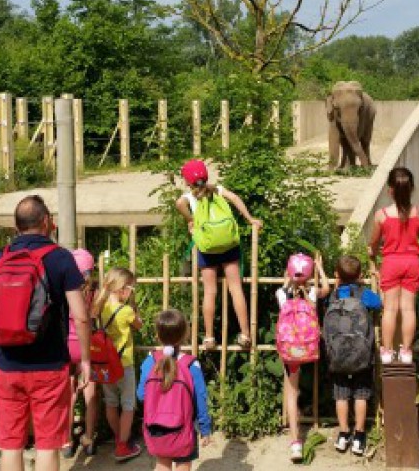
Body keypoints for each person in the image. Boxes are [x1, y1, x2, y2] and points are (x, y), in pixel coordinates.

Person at [0, 195, 92, 471]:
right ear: (46, 222)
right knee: (47, 445)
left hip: (7, 366)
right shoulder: (61, 258)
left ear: (16, 227)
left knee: (11, 444)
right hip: (50, 367)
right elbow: (81, 316)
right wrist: (85, 360)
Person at [175, 159, 261, 350]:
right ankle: (245, 333)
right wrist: (249, 219)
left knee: (210, 292)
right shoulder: (218, 190)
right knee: (235, 289)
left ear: (187, 181)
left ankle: (209, 337)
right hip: (229, 246)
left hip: (207, 248)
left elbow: (178, 204)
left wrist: (191, 221)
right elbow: (236, 198)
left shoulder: (189, 197)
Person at [137, 309, 212, 471]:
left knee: (162, 464)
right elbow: (200, 400)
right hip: (184, 429)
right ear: (185, 335)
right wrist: (205, 429)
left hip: (157, 429)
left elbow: (141, 394)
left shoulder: (150, 361)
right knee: (183, 465)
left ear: (158, 335)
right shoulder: (191, 365)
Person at [367, 166, 419, 364]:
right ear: (412, 188)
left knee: (390, 308)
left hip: (391, 262)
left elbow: (374, 243)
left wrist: (372, 255)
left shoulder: (382, 214)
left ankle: (387, 350)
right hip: (412, 262)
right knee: (408, 308)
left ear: (389, 190)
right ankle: (407, 351)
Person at [325, 255, 381, 456]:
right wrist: (377, 281)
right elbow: (379, 303)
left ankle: (343, 433)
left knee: (341, 394)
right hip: (361, 355)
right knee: (361, 395)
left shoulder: (334, 296)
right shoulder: (364, 295)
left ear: (337, 276)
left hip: (338, 355)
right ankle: (359, 436)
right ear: (360, 276)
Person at [276, 252, 330, 462]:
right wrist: (320, 268)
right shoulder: (314, 293)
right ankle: (297, 436)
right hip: (307, 348)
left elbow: (284, 284)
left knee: (291, 393)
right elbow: (327, 288)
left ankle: (296, 442)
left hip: (290, 352)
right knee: (296, 391)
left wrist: (289, 275)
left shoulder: (282, 294)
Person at [93, 267, 143, 461]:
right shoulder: (127, 311)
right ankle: (123, 446)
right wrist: (134, 310)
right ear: (123, 289)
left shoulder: (100, 306)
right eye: (131, 288)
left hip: (104, 365)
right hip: (124, 365)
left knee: (111, 403)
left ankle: (118, 437)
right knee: (128, 405)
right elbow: (139, 325)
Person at [63, 248, 99, 459]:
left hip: (66, 346)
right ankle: (89, 437)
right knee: (90, 394)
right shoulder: (94, 293)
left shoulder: (65, 291)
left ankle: (67, 440)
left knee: (68, 394)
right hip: (88, 346)